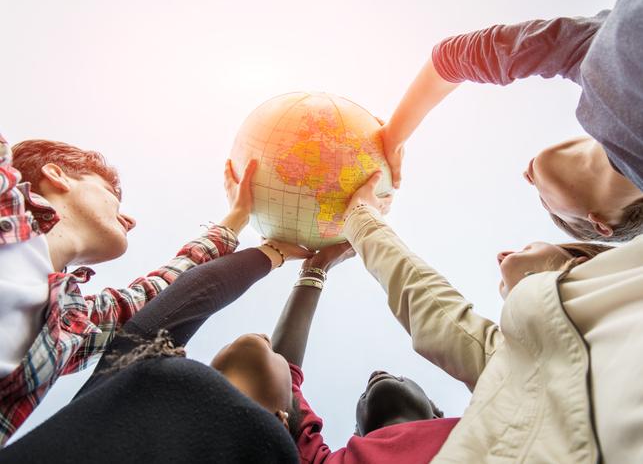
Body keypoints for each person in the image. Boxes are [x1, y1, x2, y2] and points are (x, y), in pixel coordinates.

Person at [0, 169, 312, 462]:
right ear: (56, 174)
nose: (130, 219)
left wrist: (259, 240)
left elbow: (164, 300)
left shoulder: (66, 328)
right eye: (112, 192)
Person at [342, 172, 643, 462]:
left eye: (527, 247)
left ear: (579, 259)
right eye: (506, 292)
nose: (501, 256)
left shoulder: (629, 270)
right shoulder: (513, 362)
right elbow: (425, 301)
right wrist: (360, 216)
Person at [380, 0, 643, 242]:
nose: (529, 178)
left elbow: (455, 58)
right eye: (546, 204)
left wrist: (394, 137)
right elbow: (457, 58)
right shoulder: (590, 52)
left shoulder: (588, 55)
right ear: (601, 224)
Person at [270, 242, 460, 463]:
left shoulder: (484, 430)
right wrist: (316, 268)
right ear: (357, 433)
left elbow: (276, 378)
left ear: (436, 414)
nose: (375, 373)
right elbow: (277, 381)